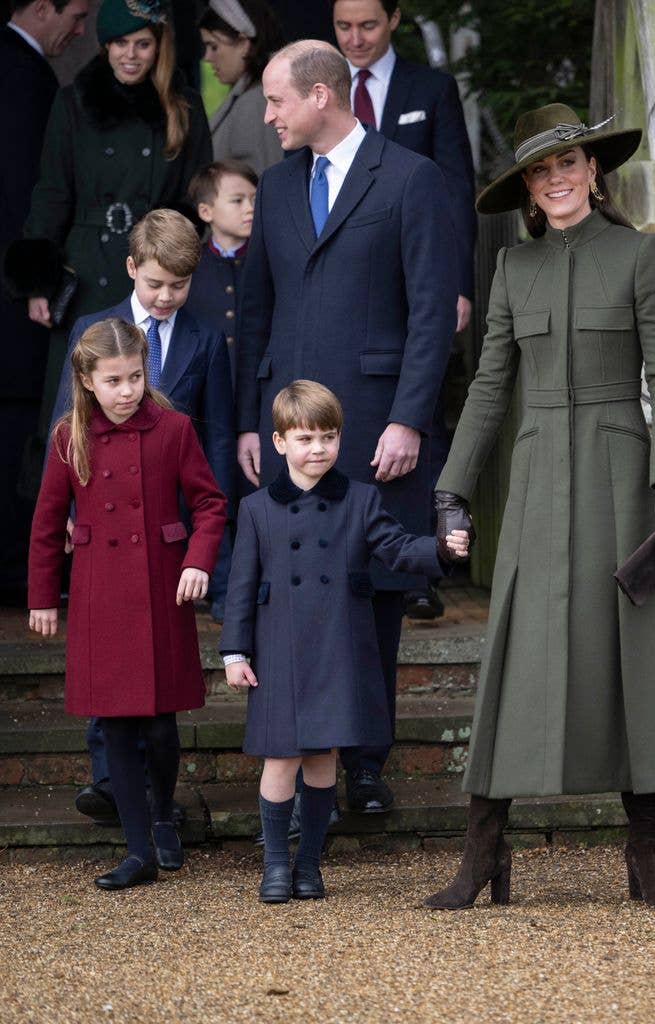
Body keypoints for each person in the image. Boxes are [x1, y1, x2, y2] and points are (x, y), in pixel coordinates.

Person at [425, 104, 655, 911]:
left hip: (623, 473)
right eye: (540, 172)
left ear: (591, 171)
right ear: (527, 187)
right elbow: (488, 387)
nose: (556, 180)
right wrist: (450, 487)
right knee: (521, 647)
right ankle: (483, 852)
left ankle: (644, 855)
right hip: (539, 472)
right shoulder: (514, 270)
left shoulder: (639, 254)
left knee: (636, 654)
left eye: (568, 165)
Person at [235, 41, 457, 814]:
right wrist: (246, 423)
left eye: (275, 101)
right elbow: (255, 312)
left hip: (372, 431)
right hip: (285, 430)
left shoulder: (410, 178)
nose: (267, 116)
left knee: (373, 594)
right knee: (288, 594)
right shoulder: (274, 186)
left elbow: (432, 314)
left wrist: (409, 420)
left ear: (322, 96)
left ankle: (362, 766)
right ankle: (290, 762)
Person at [220, 380, 469, 902]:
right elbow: (241, 586)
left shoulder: (360, 499)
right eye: (306, 438)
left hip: (337, 646)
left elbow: (397, 548)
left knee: (322, 760)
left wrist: (440, 551)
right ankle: (274, 865)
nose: (318, 449)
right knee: (280, 758)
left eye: (329, 438)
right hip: (279, 651)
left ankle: (309, 865)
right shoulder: (257, 509)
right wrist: (235, 652)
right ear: (280, 442)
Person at [49, 209, 235, 825]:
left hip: (165, 527)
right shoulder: (91, 328)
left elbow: (216, 436)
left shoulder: (206, 339)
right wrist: (74, 509)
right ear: (132, 269)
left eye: (177, 287)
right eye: (154, 284)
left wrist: (209, 545)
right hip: (102, 527)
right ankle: (108, 781)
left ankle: (154, 796)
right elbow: (65, 425)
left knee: (153, 662)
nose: (164, 297)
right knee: (107, 652)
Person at [28, 318, 226, 890]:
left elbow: (210, 504)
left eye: (135, 377)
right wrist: (44, 596)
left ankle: (164, 814)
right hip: (99, 592)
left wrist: (197, 559)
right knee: (115, 725)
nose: (127, 391)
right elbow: (46, 523)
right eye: (113, 380)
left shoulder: (173, 428)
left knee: (162, 728)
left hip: (162, 587)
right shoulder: (70, 437)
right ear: (88, 380)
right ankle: (137, 849)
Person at [3, 0, 212, 446]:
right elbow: (52, 190)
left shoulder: (184, 105)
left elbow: (194, 195)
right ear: (104, 45)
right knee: (78, 403)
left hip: (150, 270)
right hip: (85, 267)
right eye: (120, 43)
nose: (130, 55)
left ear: (160, 47)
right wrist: (38, 280)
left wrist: (173, 259)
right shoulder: (74, 101)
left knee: (146, 395)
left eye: (142, 44)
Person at [331, 0, 478, 619]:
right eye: (343, 27)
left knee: (423, 419)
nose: (356, 38)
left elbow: (455, 188)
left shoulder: (431, 88)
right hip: (357, 279)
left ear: (394, 18)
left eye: (368, 25)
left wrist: (457, 284)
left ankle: (422, 568)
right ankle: (353, 557)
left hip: (421, 273)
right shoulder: (323, 88)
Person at [0, 0, 89, 608]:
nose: (80, 31)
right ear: (40, 7)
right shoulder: (26, 81)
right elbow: (31, 193)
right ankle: (17, 571)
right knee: (18, 428)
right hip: (16, 303)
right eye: (77, 15)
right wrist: (38, 280)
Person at [185, 159, 258, 388]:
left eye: (254, 199)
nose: (250, 208)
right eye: (238, 200)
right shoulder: (190, 266)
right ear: (206, 212)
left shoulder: (270, 260)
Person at [199, 0, 284, 172]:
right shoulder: (248, 97)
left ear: (244, 44)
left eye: (214, 47)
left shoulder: (254, 103)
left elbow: (257, 182)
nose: (207, 57)